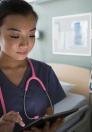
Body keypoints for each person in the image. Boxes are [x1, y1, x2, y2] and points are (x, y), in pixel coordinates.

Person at [0, 0, 66, 131]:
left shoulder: (44, 72)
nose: (25, 44)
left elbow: (48, 115)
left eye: (31, 34)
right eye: (15, 35)